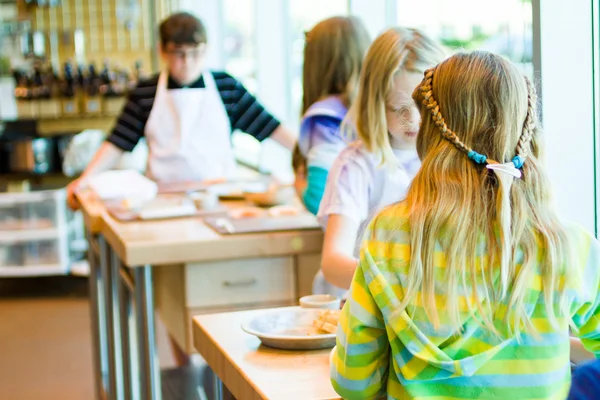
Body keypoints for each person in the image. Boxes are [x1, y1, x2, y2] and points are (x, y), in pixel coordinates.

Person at [331, 51, 600, 399]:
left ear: (430, 131)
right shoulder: (564, 244)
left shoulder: (388, 235)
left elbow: (354, 384)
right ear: (526, 128)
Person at [66, 12, 295, 209]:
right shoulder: (146, 91)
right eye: (179, 53)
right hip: (165, 199)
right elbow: (118, 141)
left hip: (220, 197)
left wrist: (309, 154)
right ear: (162, 51)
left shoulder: (227, 87)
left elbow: (270, 127)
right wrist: (86, 179)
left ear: (205, 50)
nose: (188, 62)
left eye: (196, 53)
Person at [315, 28, 444, 295]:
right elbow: (333, 262)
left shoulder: (450, 164)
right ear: (374, 103)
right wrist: (401, 285)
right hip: (360, 310)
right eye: (399, 109)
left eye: (424, 108)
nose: (414, 121)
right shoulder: (357, 165)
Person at [296, 16, 370, 215]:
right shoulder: (375, 108)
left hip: (346, 240)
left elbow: (320, 200)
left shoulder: (326, 118)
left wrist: (300, 188)